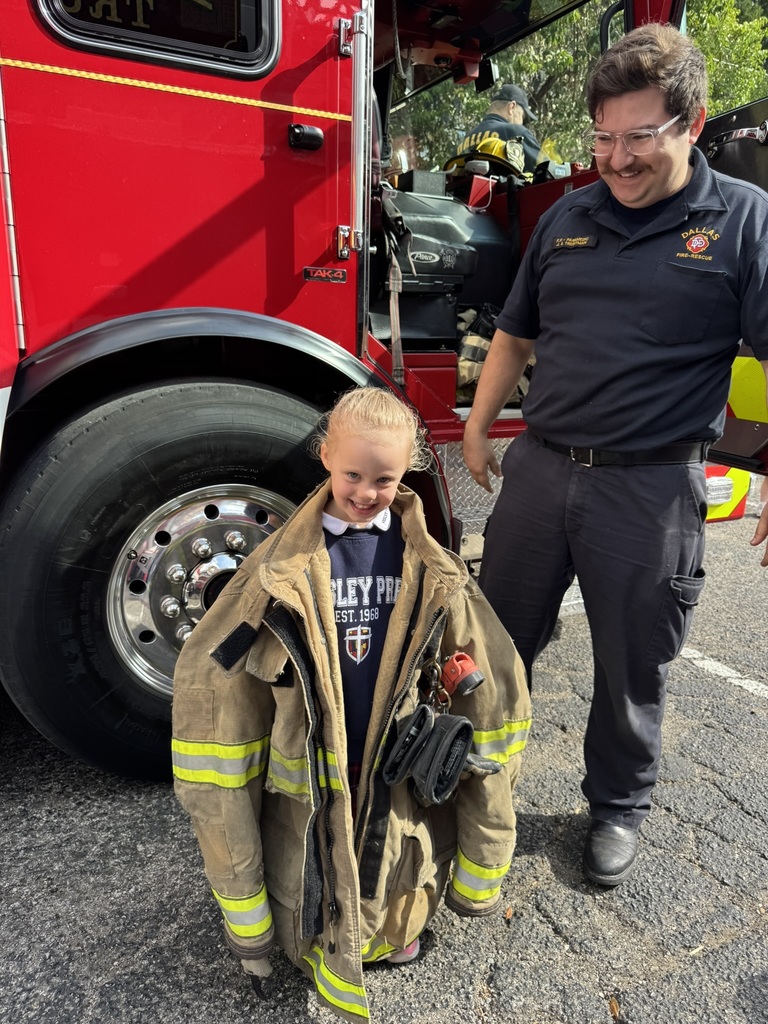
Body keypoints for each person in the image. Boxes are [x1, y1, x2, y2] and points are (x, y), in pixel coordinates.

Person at [462, 24, 768, 889]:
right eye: (602, 137)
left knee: (633, 663)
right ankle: (471, 780)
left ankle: (617, 807)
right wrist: (483, 429)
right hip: (541, 469)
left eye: (640, 136)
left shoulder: (743, 222)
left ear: (693, 122)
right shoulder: (569, 215)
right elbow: (516, 333)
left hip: (651, 488)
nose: (618, 158)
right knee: (490, 644)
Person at [172, 387, 531, 1021]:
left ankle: (391, 931)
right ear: (325, 457)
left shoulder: (432, 566)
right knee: (313, 839)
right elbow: (217, 692)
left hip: (396, 750)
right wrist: (248, 931)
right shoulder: (281, 566)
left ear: (410, 470)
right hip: (312, 752)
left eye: (385, 479)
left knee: (390, 841)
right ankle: (305, 937)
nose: (366, 492)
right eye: (352, 475)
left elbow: (493, 700)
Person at [454, 83, 543, 175]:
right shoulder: (517, 132)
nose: (521, 122)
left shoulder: (462, 143)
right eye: (522, 116)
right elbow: (548, 171)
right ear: (512, 107)